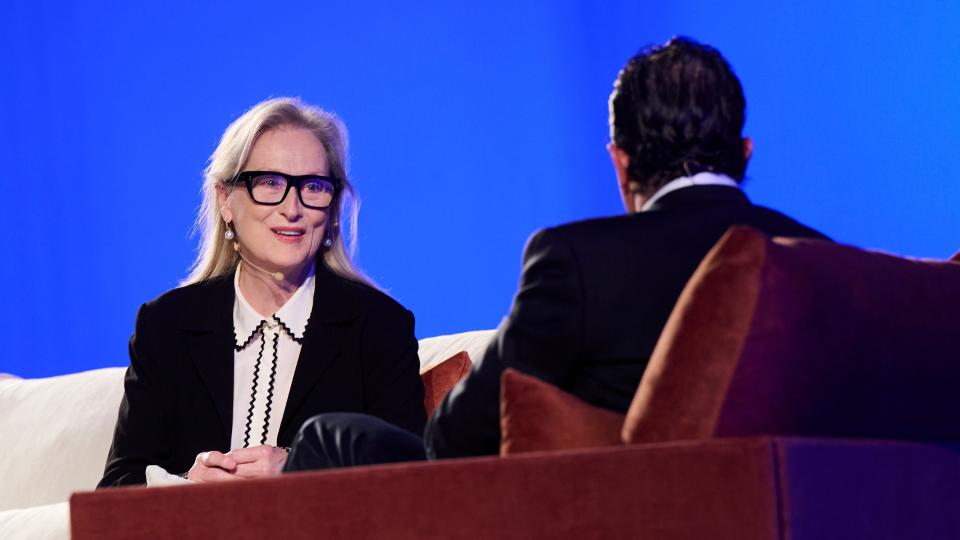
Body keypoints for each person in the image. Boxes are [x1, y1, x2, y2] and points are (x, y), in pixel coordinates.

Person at [282, 36, 828, 470]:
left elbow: (458, 434)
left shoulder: (579, 259)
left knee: (329, 434)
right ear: (744, 151)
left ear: (621, 163)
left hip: (600, 510)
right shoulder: (825, 263)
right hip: (788, 507)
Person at [98, 98, 425, 487]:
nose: (293, 208)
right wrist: (186, 485)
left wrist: (301, 470)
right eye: (269, 183)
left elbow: (412, 479)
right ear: (225, 200)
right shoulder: (167, 327)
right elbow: (118, 484)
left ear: (333, 207)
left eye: (314, 187)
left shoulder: (379, 327)